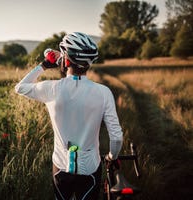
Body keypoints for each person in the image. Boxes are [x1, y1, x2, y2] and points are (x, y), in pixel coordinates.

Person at [15, 32, 123, 200]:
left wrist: (44, 65)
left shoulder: (51, 89)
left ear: (65, 60)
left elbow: (20, 88)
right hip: (90, 168)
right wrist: (111, 156)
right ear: (89, 63)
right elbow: (116, 138)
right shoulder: (104, 93)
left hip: (60, 166)